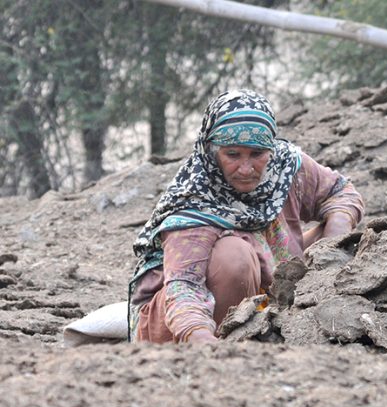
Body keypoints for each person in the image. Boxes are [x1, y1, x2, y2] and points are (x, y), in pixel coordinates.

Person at [128, 89, 364, 344]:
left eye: (256, 155)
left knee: (344, 236)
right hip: (177, 320)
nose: (245, 168)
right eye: (232, 155)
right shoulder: (193, 201)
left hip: (266, 290)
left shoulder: (284, 166)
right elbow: (184, 287)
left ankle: (280, 322)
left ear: (270, 150)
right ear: (212, 151)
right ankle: (233, 340)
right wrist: (204, 342)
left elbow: (340, 192)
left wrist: (333, 241)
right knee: (233, 257)